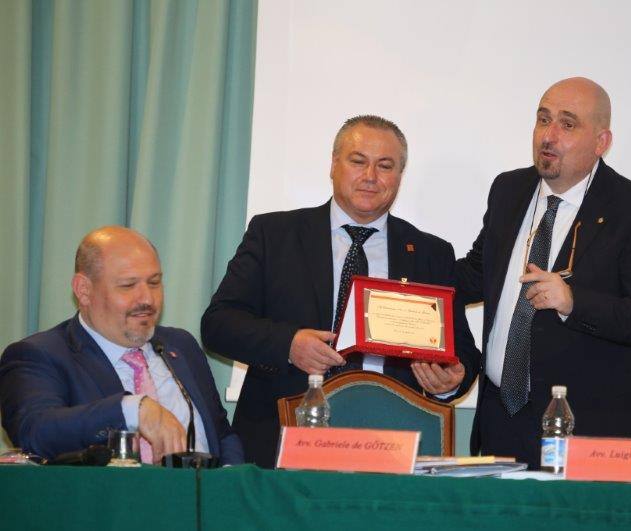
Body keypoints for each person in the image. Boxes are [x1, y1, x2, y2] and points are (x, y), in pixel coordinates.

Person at [201, 115, 480, 467]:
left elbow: (462, 352)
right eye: (358, 161)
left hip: (389, 445)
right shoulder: (274, 234)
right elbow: (219, 324)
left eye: (385, 166)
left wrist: (452, 379)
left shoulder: (430, 253)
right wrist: (288, 344)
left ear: (399, 175)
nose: (370, 176)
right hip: (283, 438)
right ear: (334, 164)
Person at [456, 77, 631, 468]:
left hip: (583, 434)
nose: (548, 135)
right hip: (500, 423)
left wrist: (574, 302)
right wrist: (404, 279)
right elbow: (478, 273)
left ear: (601, 142)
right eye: (543, 119)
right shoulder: (508, 190)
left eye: (567, 124)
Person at [0, 226, 243, 465]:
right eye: (128, 285)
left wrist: (229, 478)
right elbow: (35, 432)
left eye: (154, 282)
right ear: (84, 290)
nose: (147, 299)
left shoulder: (181, 345)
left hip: (203, 491)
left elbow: (221, 434)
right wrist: (132, 409)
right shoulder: (39, 355)